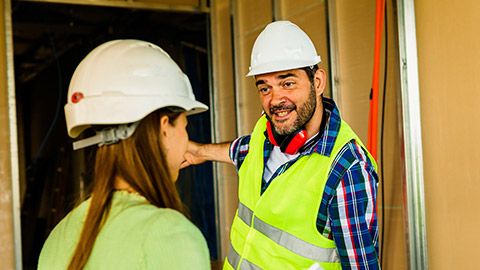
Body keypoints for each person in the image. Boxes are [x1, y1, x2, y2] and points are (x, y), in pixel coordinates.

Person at [182, 21, 379, 269]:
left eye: (287, 83)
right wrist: (200, 152)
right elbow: (244, 150)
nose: (275, 100)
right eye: (265, 87)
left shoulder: (346, 168)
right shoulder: (265, 134)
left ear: (317, 82)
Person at [38, 39, 211, 270]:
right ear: (164, 129)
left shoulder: (61, 234)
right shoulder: (170, 233)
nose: (187, 140)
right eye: (185, 126)